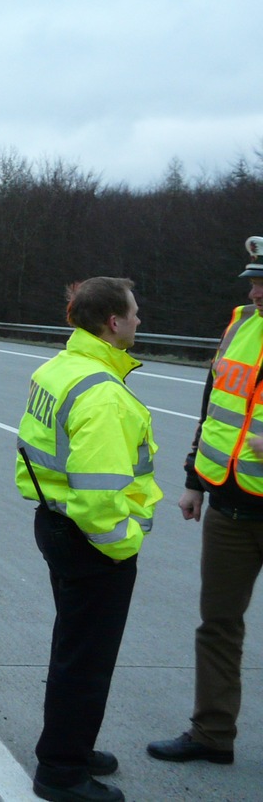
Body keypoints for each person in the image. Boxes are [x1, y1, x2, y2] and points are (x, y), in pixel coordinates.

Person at [15, 276, 162, 802]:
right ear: (113, 323)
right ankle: (61, 772)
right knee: (87, 661)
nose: (140, 320)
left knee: (72, 649)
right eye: (135, 313)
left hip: (54, 523)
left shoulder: (59, 369)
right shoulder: (103, 394)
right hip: (91, 541)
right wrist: (124, 544)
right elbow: (99, 496)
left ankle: (68, 744)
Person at [147, 237, 263, 767]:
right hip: (232, 507)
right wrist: (194, 478)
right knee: (217, 623)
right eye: (253, 281)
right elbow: (214, 403)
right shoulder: (241, 324)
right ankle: (213, 733)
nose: (257, 291)